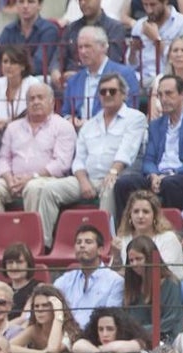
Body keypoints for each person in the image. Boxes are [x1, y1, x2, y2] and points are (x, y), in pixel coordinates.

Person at [34, 72, 147, 248]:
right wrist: (83, 181)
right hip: (87, 178)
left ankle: (105, 244)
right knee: (49, 189)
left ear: (123, 94)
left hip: (118, 175)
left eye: (112, 91)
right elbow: (79, 159)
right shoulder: (89, 124)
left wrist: (113, 172)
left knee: (110, 187)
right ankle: (43, 245)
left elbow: (128, 151)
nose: (107, 95)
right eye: (103, 92)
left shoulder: (135, 118)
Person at [113, 74, 183, 222]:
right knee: (124, 183)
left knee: (170, 184)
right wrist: (153, 174)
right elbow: (149, 159)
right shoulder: (156, 124)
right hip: (159, 175)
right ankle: (125, 232)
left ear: (182, 94)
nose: (164, 99)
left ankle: (175, 230)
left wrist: (173, 173)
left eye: (169, 93)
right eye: (160, 95)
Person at [0, 82, 76, 233]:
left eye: (40, 98)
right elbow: (3, 158)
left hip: (46, 179)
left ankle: (32, 240)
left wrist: (32, 177)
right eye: (31, 99)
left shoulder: (63, 126)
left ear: (51, 102)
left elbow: (61, 163)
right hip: (14, 180)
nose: (35, 102)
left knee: (33, 187)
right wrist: (9, 179)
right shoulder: (13, 127)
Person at [59, 25, 140, 124]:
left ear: (103, 47)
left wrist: (94, 125)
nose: (83, 51)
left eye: (88, 46)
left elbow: (130, 109)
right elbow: (65, 112)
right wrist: (72, 120)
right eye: (80, 47)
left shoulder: (125, 74)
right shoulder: (74, 80)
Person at [53, 224, 124, 328]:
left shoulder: (115, 281)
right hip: (64, 334)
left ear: (100, 250)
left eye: (88, 242)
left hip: (94, 337)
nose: (82, 245)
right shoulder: (66, 279)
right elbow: (49, 299)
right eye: (78, 242)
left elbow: (110, 319)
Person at [112, 189, 183, 279]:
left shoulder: (168, 238)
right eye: (136, 211)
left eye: (145, 212)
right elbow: (112, 275)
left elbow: (166, 273)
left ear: (155, 216)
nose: (140, 216)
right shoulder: (123, 239)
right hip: (131, 289)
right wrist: (116, 256)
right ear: (129, 216)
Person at [51, 0, 126, 89]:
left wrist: (80, 75)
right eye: (80, 1)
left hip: (101, 82)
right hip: (68, 83)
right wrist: (55, 70)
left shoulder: (114, 28)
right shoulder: (71, 28)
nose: (83, 3)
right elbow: (59, 55)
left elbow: (113, 60)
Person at [122, 234, 183, 343]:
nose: (134, 264)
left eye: (139, 259)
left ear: (149, 258)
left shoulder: (171, 283)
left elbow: (170, 321)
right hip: (136, 338)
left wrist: (136, 331)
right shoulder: (132, 285)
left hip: (165, 338)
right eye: (131, 260)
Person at [129, 0, 183, 85]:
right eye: (145, 5)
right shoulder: (139, 25)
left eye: (153, 5)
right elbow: (131, 64)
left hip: (170, 78)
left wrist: (156, 39)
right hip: (141, 79)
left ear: (165, 2)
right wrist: (133, 51)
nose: (149, 10)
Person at [9, 283, 82, 353]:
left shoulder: (69, 331)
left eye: (45, 305)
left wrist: (58, 315)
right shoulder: (34, 330)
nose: (40, 310)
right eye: (36, 306)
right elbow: (7, 347)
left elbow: (52, 349)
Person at [0, 0, 57, 77]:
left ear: (40, 5)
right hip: (10, 79)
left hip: (38, 79)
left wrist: (13, 69)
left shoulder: (49, 30)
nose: (25, 6)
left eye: (31, 2)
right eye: (21, 2)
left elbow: (39, 64)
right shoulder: (8, 31)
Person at [0, 45, 38, 133]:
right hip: (0, 130)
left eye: (13, 62)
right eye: (5, 62)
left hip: (27, 131)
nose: (8, 66)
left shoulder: (32, 83)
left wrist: (9, 122)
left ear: (23, 66)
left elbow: (34, 113)